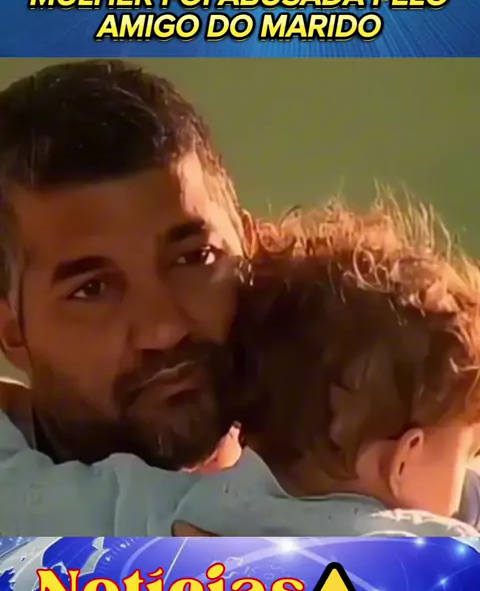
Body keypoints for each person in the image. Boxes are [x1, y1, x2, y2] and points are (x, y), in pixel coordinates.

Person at [0, 200, 478, 538]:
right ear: (404, 460)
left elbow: (16, 494)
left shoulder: (168, 511)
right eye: (466, 454)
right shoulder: (439, 552)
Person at [0, 58, 255, 474]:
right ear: (11, 331)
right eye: (92, 289)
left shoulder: (361, 479)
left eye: (193, 258)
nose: (164, 329)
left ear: (251, 247)